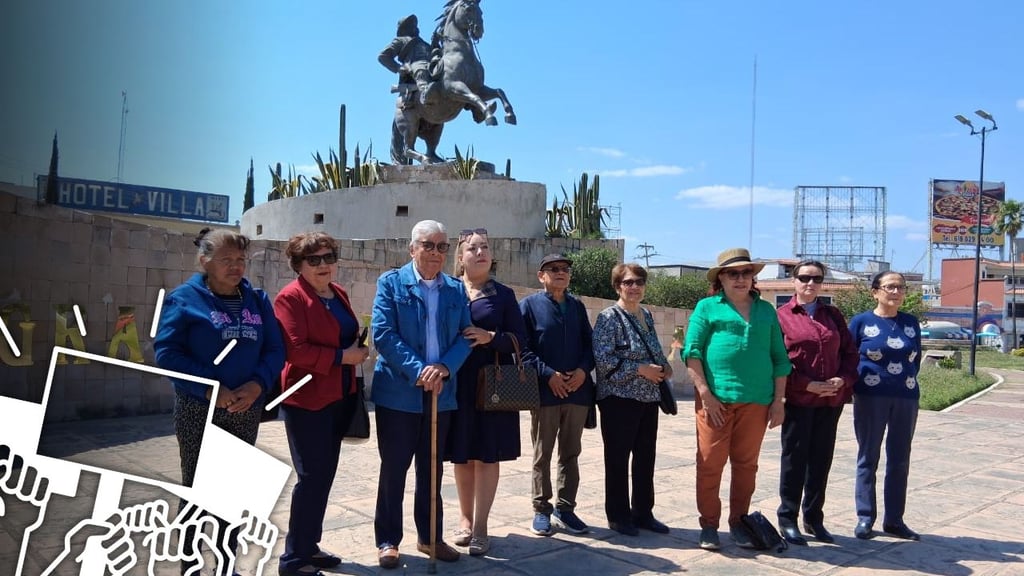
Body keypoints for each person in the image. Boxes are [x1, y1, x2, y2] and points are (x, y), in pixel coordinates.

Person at [154, 228, 285, 575]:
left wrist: (258, 384)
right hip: (200, 408)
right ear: (204, 260)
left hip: (245, 409)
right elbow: (167, 353)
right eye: (226, 260)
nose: (236, 266)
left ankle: (227, 565)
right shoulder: (184, 299)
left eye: (240, 260)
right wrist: (210, 387)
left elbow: (275, 349)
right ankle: (192, 568)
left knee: (233, 491)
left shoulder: (257, 300)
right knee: (197, 491)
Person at [370, 220, 472, 569]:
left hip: (440, 394)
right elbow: (383, 334)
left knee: (432, 471)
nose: (435, 252)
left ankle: (430, 536)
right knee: (394, 469)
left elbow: (466, 337)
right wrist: (419, 369)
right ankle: (388, 540)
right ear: (412, 248)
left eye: (442, 246)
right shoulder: (391, 283)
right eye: (428, 245)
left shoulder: (456, 290)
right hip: (399, 394)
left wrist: (443, 367)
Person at [272, 233, 371, 576]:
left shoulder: (338, 293)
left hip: (338, 396)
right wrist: (345, 356)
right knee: (311, 477)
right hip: (306, 399)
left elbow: (345, 336)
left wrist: (358, 348)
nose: (323, 265)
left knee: (324, 477)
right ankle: (293, 560)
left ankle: (309, 547)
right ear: (298, 265)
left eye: (329, 257)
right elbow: (295, 351)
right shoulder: (290, 298)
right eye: (313, 260)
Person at [682, 247, 790, 551]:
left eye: (746, 273)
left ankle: (739, 523)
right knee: (709, 464)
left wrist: (778, 401)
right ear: (722, 278)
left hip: (757, 401)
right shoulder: (707, 307)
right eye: (733, 273)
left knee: (746, 466)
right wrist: (705, 394)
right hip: (715, 402)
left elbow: (779, 358)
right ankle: (709, 525)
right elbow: (692, 352)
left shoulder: (767, 311)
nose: (741, 278)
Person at [446, 228, 526, 556]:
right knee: (462, 454)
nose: (480, 252)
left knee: (487, 454)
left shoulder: (503, 295)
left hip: (492, 384)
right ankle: (464, 521)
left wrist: (490, 337)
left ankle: (481, 526)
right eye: (473, 247)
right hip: (456, 381)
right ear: (461, 257)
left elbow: (520, 340)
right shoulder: (448, 290)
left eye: (485, 247)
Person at [774, 260, 859, 545]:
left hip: (830, 401)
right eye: (804, 278)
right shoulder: (782, 316)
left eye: (816, 279)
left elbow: (850, 353)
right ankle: (788, 517)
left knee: (821, 460)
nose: (810, 284)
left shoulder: (832, 315)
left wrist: (842, 380)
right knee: (794, 460)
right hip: (799, 400)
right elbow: (777, 359)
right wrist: (805, 383)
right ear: (794, 281)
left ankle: (813, 518)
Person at [592, 263, 673, 536]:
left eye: (639, 282)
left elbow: (654, 350)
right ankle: (618, 515)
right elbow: (604, 362)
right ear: (618, 286)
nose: (634, 287)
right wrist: (640, 369)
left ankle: (643, 512)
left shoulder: (646, 315)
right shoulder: (609, 318)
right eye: (628, 282)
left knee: (645, 458)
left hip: (648, 398)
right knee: (617, 458)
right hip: (619, 399)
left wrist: (664, 366)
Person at [519, 254, 596, 536]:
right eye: (553, 269)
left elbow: (590, 346)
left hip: (576, 392)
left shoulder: (577, 306)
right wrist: (548, 374)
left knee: (571, 453)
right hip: (545, 393)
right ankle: (541, 509)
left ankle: (566, 509)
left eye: (565, 269)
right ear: (541, 276)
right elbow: (522, 349)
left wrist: (582, 371)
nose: (560, 273)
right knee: (543, 454)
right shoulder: (528, 306)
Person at [847, 271, 922, 541]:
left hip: (906, 397)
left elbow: (916, 359)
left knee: (900, 459)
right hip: (870, 396)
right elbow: (848, 355)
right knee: (868, 456)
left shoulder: (911, 323)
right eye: (889, 287)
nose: (896, 292)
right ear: (875, 291)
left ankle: (894, 520)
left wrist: (905, 383)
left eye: (900, 287)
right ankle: (865, 517)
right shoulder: (861, 322)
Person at [378, 14, 435, 106]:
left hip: (430, 68)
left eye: (414, 24)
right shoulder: (401, 40)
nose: (414, 26)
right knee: (420, 68)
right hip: (413, 69)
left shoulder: (425, 44)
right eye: (410, 24)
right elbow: (383, 56)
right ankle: (425, 95)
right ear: (404, 29)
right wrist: (398, 68)